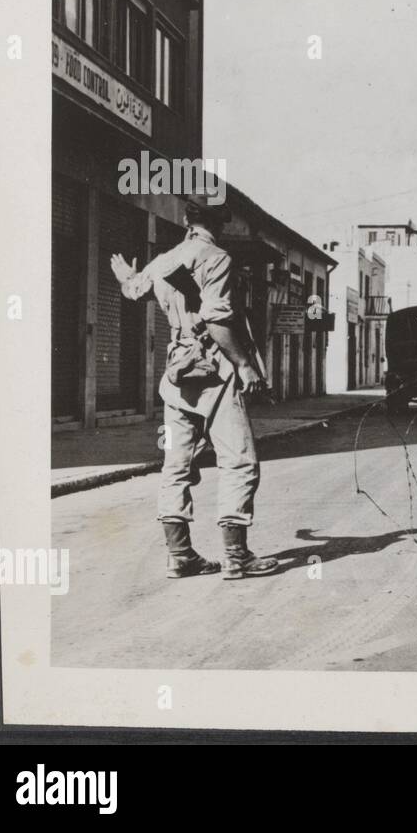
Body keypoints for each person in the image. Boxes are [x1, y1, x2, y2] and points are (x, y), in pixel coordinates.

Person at [110, 194, 278, 580]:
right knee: (239, 462)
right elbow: (218, 320)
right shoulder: (217, 258)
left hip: (177, 376)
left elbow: (135, 291)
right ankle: (237, 558)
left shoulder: (166, 259)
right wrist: (245, 365)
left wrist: (125, 278)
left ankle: (181, 555)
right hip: (215, 374)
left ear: (188, 220)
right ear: (221, 223)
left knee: (176, 466)